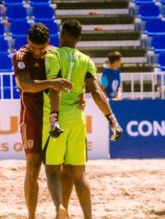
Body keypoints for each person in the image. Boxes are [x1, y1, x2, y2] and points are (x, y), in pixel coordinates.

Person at [43, 19, 123, 219]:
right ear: (79, 39)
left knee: (53, 171)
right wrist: (113, 120)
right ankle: (88, 216)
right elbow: (96, 91)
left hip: (56, 120)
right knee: (79, 175)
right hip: (78, 120)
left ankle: (59, 207)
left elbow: (55, 88)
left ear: (61, 36)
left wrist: (54, 119)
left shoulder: (53, 56)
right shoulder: (86, 60)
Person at [12, 23, 75, 219]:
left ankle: (60, 209)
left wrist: (78, 96)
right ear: (28, 42)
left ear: (48, 42)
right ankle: (32, 216)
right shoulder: (21, 56)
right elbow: (25, 85)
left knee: (57, 166)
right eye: (34, 47)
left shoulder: (55, 54)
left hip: (54, 115)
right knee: (33, 166)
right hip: (31, 117)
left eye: (41, 48)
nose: (38, 53)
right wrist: (51, 83)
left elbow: (67, 83)